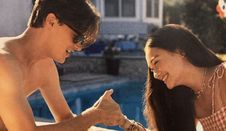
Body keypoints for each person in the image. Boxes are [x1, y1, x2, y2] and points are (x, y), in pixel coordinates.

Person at [0, 0, 145, 130]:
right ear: (52, 21)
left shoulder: (44, 67)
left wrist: (108, 115)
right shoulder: (4, 63)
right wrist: (93, 116)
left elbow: (66, 121)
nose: (79, 47)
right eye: (78, 37)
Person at [144, 24, 226, 131]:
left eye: (156, 62)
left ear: (180, 51)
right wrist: (125, 123)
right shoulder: (189, 100)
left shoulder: (225, 73)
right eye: (152, 70)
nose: (155, 75)